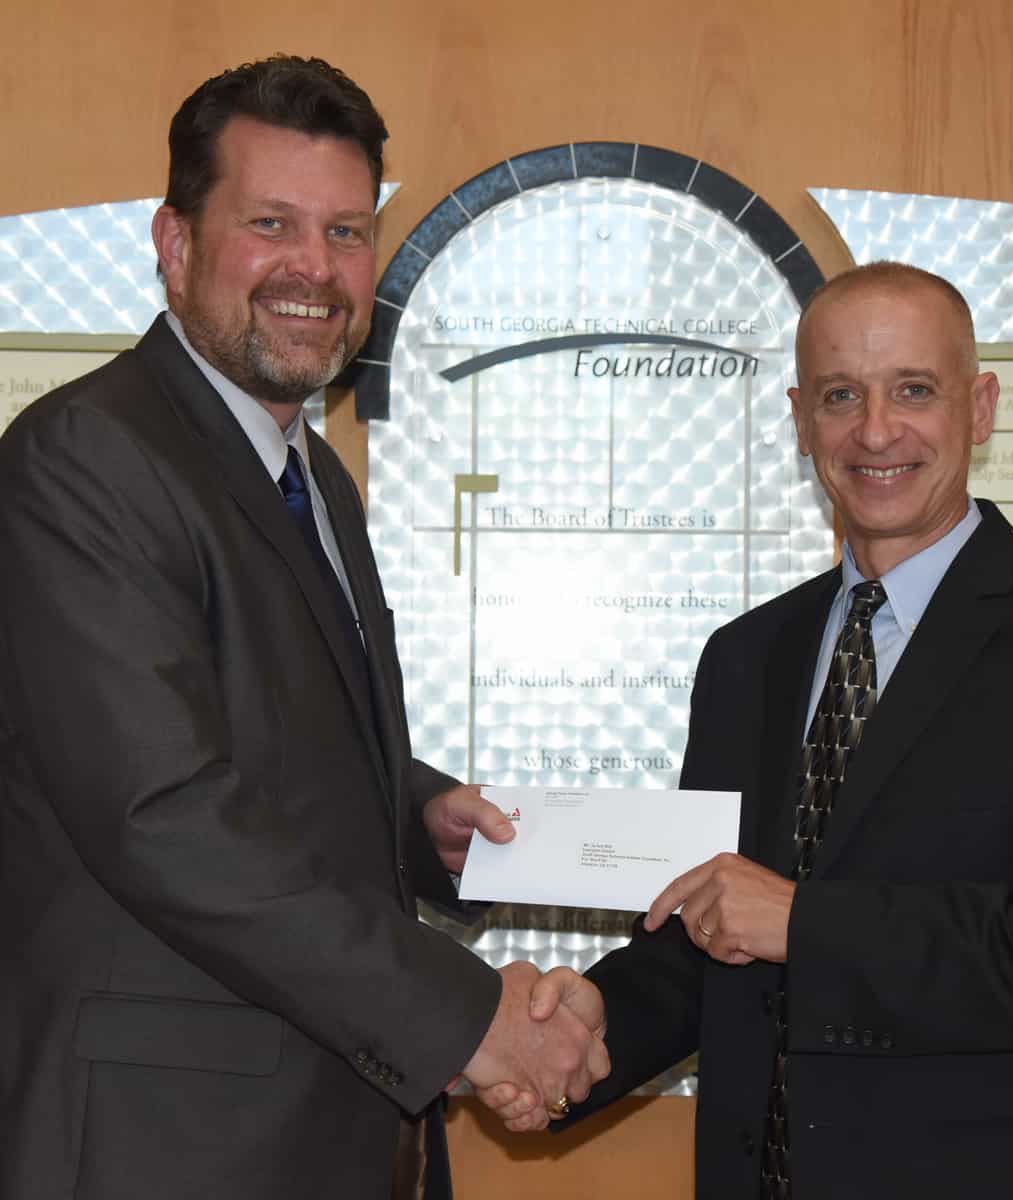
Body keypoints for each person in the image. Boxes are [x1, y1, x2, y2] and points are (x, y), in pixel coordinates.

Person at [0, 55, 605, 1200]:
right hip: (164, 1146)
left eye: (345, 232)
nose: (314, 270)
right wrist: (467, 1018)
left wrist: (413, 815)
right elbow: (163, 812)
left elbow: (251, 736)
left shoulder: (313, 477)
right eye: (270, 224)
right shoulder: (88, 457)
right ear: (175, 243)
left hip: (317, 1131)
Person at [488, 262, 1013, 1198]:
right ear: (802, 421)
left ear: (981, 407)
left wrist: (811, 925)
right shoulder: (746, 656)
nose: (875, 431)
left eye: (913, 390)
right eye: (841, 395)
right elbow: (718, 929)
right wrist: (595, 1022)